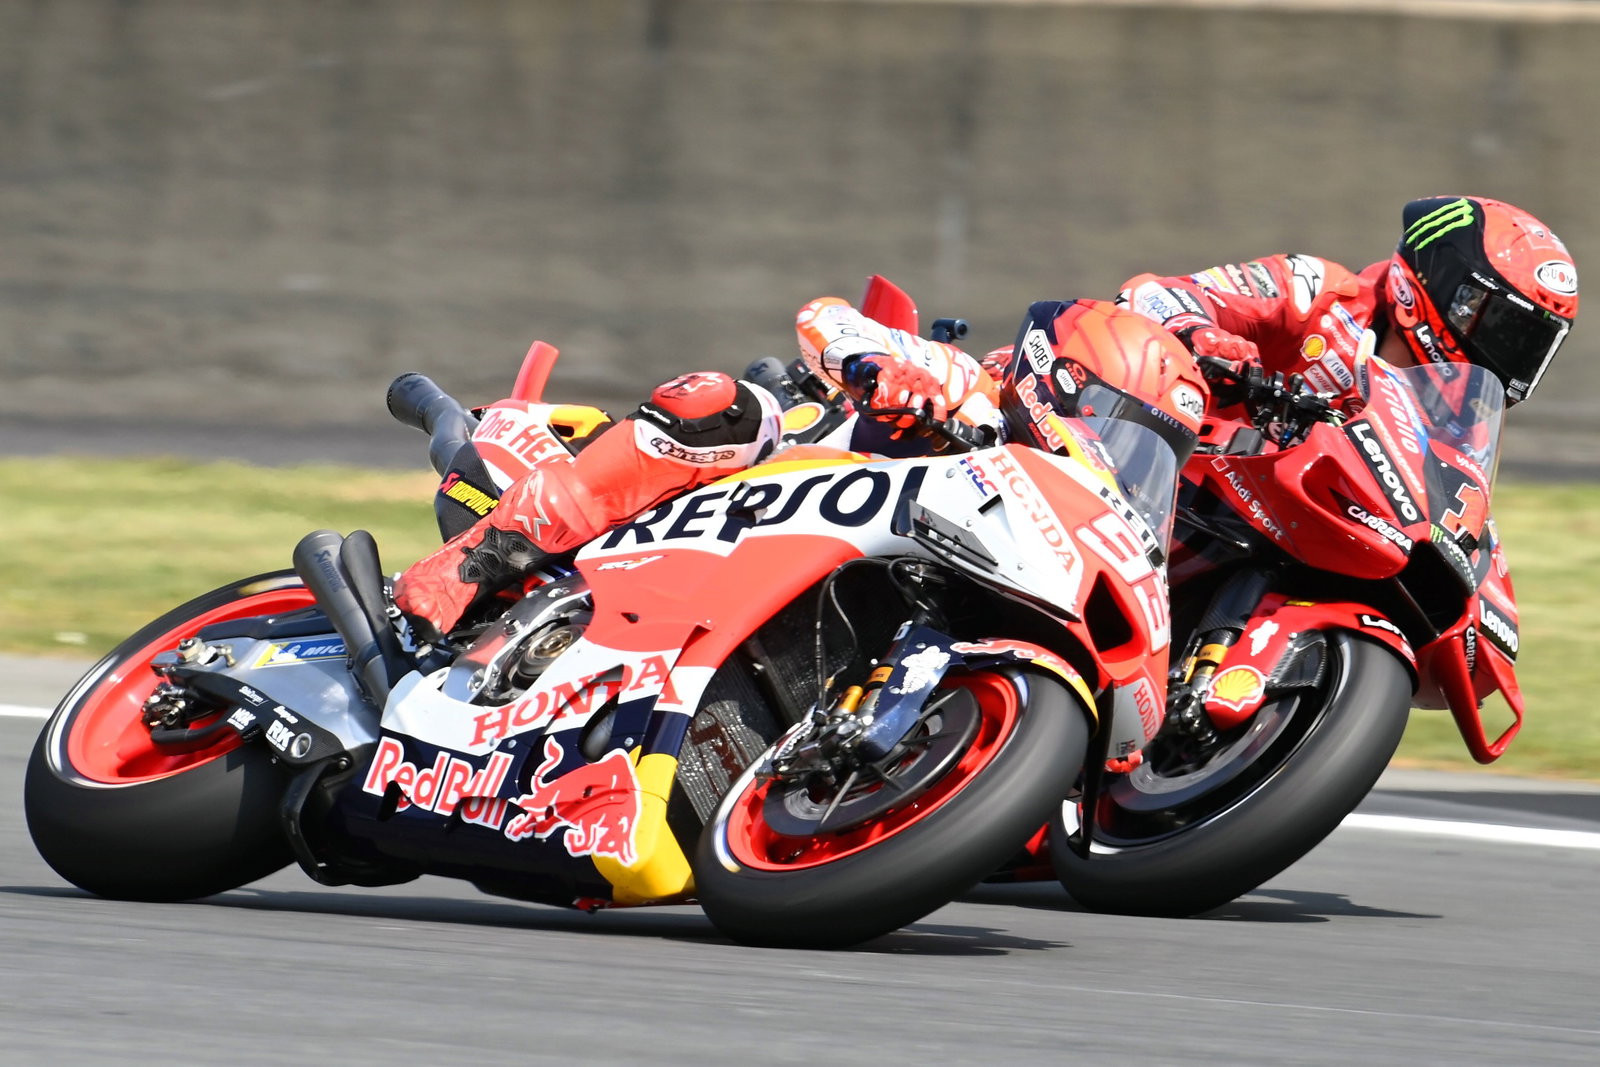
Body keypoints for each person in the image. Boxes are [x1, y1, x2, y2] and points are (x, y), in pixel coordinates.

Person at [394, 295, 1207, 642]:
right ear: (1059, 380)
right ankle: (465, 568)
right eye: (1113, 427)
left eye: (1145, 458)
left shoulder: (1062, 518)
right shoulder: (974, 388)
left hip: (820, 589)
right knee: (715, 401)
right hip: (761, 490)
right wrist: (873, 366)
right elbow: (825, 316)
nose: (1114, 457)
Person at [1114, 195, 1579, 413]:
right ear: (1440, 284)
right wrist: (1201, 335)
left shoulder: (1457, 413)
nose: (1512, 353)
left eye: (1530, 343)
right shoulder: (1318, 291)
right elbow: (1150, 294)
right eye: (1503, 327)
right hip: (1185, 483)